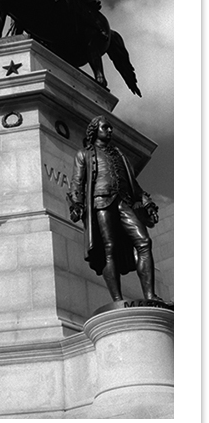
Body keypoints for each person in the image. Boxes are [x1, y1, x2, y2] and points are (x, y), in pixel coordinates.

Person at [68, 115, 165, 303]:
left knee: (144, 241)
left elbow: (133, 185)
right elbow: (77, 182)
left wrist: (147, 202)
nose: (110, 130)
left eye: (110, 127)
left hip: (123, 203)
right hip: (101, 202)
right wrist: (76, 204)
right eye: (105, 127)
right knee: (108, 248)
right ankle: (118, 300)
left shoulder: (119, 155)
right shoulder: (85, 154)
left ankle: (151, 295)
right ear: (95, 130)